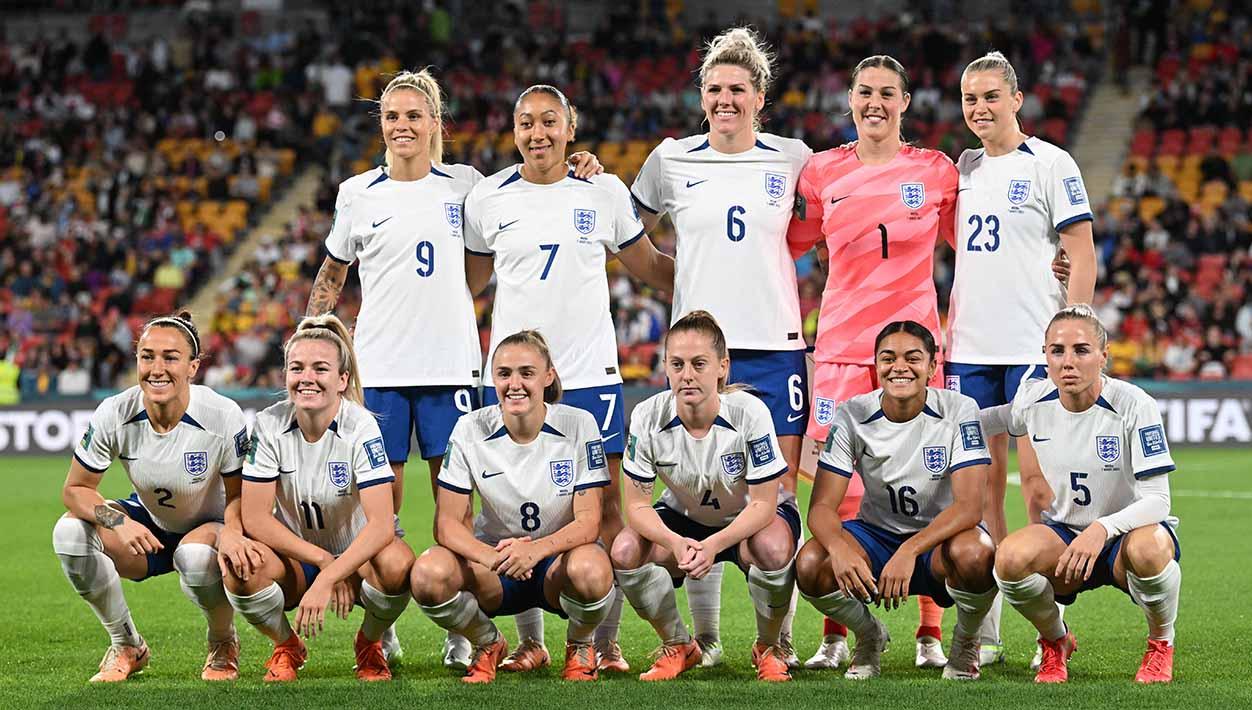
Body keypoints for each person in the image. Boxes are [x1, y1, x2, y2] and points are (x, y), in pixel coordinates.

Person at [305, 69, 603, 668]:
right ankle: (381, 627)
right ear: (381, 125)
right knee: (378, 515)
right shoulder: (357, 193)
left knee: (465, 510)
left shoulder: (467, 187)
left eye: (414, 115)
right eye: (391, 116)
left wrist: (583, 164)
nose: (402, 126)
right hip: (382, 372)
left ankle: (466, 630)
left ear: (436, 123)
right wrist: (312, 331)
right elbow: (334, 272)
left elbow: (530, 187)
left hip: (453, 369)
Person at [463, 84, 674, 673]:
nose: (538, 132)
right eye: (526, 122)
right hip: (511, 379)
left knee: (606, 508)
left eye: (550, 121)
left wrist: (714, 285)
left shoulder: (603, 191)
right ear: (513, 131)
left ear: (570, 129)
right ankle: (530, 641)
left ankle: (602, 640)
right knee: (509, 506)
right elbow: (467, 287)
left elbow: (650, 267)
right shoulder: (487, 198)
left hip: (590, 375)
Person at [630, 27, 811, 668]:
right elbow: (631, 236)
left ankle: (777, 639)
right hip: (698, 353)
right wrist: (679, 285)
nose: (726, 99)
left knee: (777, 493)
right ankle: (703, 638)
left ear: (760, 96)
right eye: (715, 89)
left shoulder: (792, 158)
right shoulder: (671, 158)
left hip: (775, 346)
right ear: (701, 97)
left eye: (738, 88)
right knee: (690, 490)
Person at [786, 55, 957, 670]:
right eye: (865, 92)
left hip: (914, 356)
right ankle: (840, 632)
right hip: (838, 352)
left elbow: (979, 243)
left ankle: (930, 634)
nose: (875, 103)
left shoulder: (935, 172)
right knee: (843, 494)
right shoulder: (820, 172)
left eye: (888, 93)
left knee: (926, 488)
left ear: (905, 102)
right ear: (850, 100)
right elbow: (785, 243)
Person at [946, 50, 1097, 667]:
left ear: (1016, 100)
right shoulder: (962, 169)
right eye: (969, 99)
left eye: (990, 97)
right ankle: (989, 620)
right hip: (970, 349)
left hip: (1032, 348)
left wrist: (1075, 327)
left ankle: (1049, 625)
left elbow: (1080, 251)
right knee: (977, 492)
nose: (979, 108)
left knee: (1036, 487)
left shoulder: (1051, 163)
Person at [54, 311, 258, 682]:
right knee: (68, 534)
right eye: (147, 356)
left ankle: (223, 641)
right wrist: (118, 521)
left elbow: (240, 496)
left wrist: (232, 532)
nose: (156, 368)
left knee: (195, 558)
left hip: (210, 526)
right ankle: (127, 644)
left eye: (170, 357)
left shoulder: (222, 415)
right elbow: (75, 490)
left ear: (193, 367)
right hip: (150, 527)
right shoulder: (115, 412)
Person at [982, 305, 1180, 684]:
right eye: (1057, 351)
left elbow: (1159, 501)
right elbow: (990, 419)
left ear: (1104, 356)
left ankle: (1160, 643)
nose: (1067, 362)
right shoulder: (1033, 400)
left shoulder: (1135, 405)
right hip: (1065, 539)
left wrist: (1102, 529)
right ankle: (1056, 642)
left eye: (1081, 350)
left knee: (1150, 549)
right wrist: (925, 413)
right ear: (1045, 356)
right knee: (1008, 558)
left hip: (1125, 539)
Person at [795, 321, 997, 680]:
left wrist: (910, 551)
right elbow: (822, 507)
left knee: (977, 553)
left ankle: (966, 641)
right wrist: (839, 549)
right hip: (877, 537)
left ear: (933, 367)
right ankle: (869, 634)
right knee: (812, 562)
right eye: (888, 358)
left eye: (912, 358)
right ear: (876, 366)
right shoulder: (853, 413)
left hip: (938, 543)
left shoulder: (960, 410)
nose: (899, 367)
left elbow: (969, 507)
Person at [410, 330, 616, 683]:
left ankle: (580, 645)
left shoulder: (579, 424)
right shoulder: (469, 428)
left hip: (558, 562)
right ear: (493, 379)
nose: (514, 384)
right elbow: (446, 524)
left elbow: (589, 521)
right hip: (496, 566)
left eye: (526, 373)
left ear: (548, 376)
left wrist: (534, 551)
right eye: (504, 374)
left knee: (593, 570)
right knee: (428, 574)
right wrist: (493, 557)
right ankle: (488, 642)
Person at [222, 315, 414, 682]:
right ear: (285, 376)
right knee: (240, 569)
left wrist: (332, 575)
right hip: (298, 558)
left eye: (320, 368)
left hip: (361, 558)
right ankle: (286, 644)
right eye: (297, 368)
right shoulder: (267, 424)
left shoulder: (361, 425)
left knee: (397, 566)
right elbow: (256, 517)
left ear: (342, 380)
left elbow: (381, 524)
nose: (306, 377)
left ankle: (370, 642)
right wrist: (323, 563)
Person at [613, 311, 798, 682]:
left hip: (751, 519)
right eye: (677, 364)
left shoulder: (751, 412)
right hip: (684, 518)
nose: (687, 375)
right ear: (664, 366)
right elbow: (635, 505)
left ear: (722, 367)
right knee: (624, 551)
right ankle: (679, 644)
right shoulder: (648, 416)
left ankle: (769, 646)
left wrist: (713, 544)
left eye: (699, 364)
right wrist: (673, 541)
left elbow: (764, 502)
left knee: (774, 549)